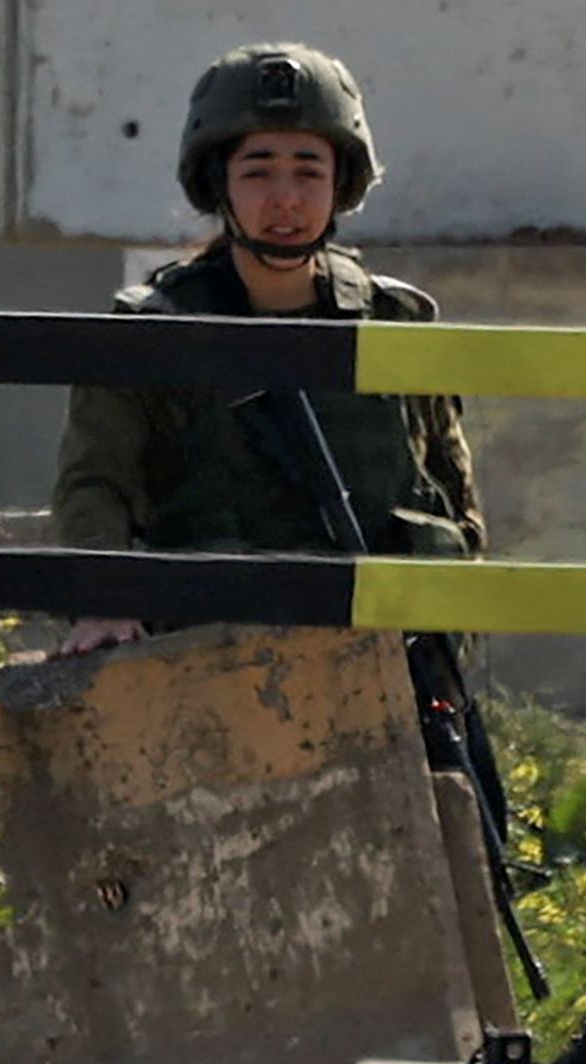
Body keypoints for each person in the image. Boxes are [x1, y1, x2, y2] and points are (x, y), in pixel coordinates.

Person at [51, 43, 485, 658]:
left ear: (340, 184)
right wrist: (105, 600)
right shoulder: (154, 331)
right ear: (219, 182)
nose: (286, 197)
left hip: (387, 657)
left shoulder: (397, 322)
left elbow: (454, 498)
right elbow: (94, 483)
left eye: (309, 171)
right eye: (258, 171)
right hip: (213, 659)